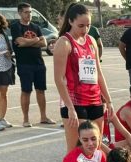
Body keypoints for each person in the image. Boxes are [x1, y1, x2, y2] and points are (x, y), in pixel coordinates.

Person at [53, 3, 113, 152]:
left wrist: (108, 100)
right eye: (81, 26)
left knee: (96, 147)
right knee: (76, 149)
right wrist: (70, 108)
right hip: (75, 102)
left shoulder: (91, 41)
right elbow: (58, 79)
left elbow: (98, 73)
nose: (85, 30)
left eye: (88, 25)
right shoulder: (64, 43)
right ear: (71, 21)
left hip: (94, 100)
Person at [11, 2, 55, 128]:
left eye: (30, 12)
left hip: (39, 64)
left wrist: (29, 42)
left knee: (41, 90)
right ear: (19, 13)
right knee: (26, 91)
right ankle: (25, 119)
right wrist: (36, 40)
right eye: (26, 12)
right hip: (24, 64)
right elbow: (20, 42)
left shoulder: (36, 27)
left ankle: (43, 117)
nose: (29, 14)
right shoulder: (15, 27)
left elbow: (44, 43)